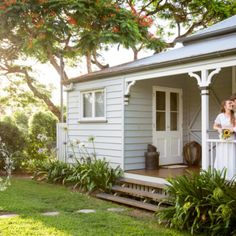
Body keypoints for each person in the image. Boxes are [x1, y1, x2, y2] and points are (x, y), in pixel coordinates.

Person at [213, 99, 236, 180]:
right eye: (229, 103)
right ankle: (222, 176)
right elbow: (215, 126)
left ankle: (232, 177)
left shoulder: (235, 115)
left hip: (231, 140)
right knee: (222, 157)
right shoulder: (220, 116)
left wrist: (232, 130)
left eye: (232, 103)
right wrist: (219, 129)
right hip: (223, 140)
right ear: (224, 106)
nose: (231, 104)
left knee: (231, 157)